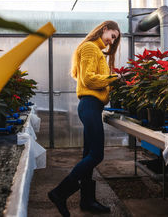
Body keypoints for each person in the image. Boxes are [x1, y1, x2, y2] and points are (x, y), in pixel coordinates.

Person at [48, 21, 121, 217]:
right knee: (97, 155)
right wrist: (115, 79)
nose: (112, 42)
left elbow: (96, 80)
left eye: (114, 40)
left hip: (92, 107)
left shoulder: (95, 49)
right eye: (112, 36)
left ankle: (87, 201)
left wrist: (117, 80)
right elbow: (89, 79)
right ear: (104, 29)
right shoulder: (90, 47)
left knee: (88, 154)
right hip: (89, 105)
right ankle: (59, 193)